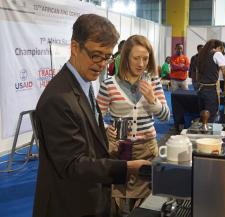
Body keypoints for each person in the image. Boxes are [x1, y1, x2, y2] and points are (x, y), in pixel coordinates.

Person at [32, 14, 150, 217]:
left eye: (107, 56)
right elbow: (73, 165)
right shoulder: (58, 98)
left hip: (88, 197)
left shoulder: (82, 84)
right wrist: (127, 168)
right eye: (96, 55)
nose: (102, 63)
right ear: (75, 48)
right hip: (69, 205)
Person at [97, 35, 170, 216]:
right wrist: (107, 129)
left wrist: (153, 100)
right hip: (119, 151)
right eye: (136, 58)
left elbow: (165, 117)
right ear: (125, 57)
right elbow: (96, 116)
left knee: (147, 202)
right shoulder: (109, 84)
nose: (141, 63)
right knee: (119, 199)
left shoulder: (153, 81)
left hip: (147, 149)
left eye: (145, 58)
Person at [197, 39, 225, 123]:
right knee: (211, 116)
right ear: (219, 47)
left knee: (203, 115)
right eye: (222, 49)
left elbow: (197, 73)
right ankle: (208, 135)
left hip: (200, 88)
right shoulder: (217, 54)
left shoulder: (202, 55)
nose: (222, 52)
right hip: (211, 89)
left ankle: (202, 133)